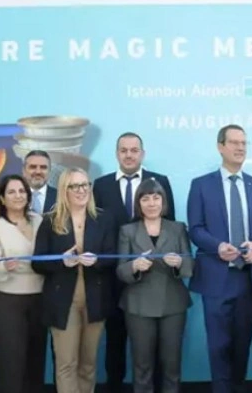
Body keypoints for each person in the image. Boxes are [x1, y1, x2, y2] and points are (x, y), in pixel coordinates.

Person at [187, 124, 252, 393]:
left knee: (242, 344)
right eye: (234, 142)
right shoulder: (201, 185)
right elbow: (195, 228)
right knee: (218, 345)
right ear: (220, 146)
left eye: (244, 143)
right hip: (216, 277)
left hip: (249, 278)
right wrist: (218, 246)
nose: (240, 148)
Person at [93, 132, 175, 392]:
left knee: (157, 348)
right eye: (123, 150)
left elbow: (170, 227)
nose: (129, 155)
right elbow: (96, 228)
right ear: (116, 154)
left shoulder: (160, 181)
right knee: (115, 341)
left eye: (134, 150)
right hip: (113, 279)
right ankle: (115, 387)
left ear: (142, 153)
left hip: (154, 279)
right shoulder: (101, 185)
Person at [32, 167, 117, 393]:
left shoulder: (104, 219)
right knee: (66, 363)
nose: (81, 190)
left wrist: (97, 261)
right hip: (63, 302)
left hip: (95, 299)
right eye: (74, 186)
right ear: (64, 190)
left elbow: (113, 257)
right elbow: (37, 263)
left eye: (85, 184)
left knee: (88, 364)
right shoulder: (50, 221)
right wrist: (62, 261)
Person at [116, 179, 193, 393]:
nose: (151, 203)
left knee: (172, 364)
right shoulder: (127, 231)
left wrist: (179, 262)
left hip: (173, 304)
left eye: (156, 198)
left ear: (163, 201)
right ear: (138, 203)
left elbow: (190, 266)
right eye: (146, 199)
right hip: (138, 305)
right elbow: (120, 270)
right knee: (142, 365)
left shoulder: (178, 228)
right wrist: (134, 265)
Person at [0, 174, 46, 393]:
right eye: (11, 192)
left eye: (22, 191)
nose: (18, 196)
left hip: (40, 300)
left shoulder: (39, 221)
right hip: (7, 301)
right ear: (2, 198)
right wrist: (3, 266)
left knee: (36, 363)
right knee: (11, 363)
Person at [22, 149, 57, 214]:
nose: (38, 172)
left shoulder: (61, 197)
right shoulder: (14, 196)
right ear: (24, 171)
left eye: (43, 167)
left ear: (49, 171)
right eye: (33, 167)